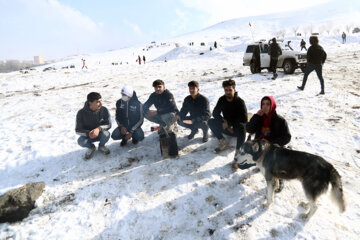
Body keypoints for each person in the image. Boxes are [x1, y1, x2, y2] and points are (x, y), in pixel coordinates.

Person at [238, 96, 291, 191]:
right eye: (263, 104)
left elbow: (287, 137)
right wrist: (256, 116)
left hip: (273, 149)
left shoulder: (280, 121)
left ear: (272, 105)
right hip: (258, 149)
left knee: (275, 165)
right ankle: (260, 163)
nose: (265, 106)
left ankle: (280, 177)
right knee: (242, 165)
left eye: (268, 104)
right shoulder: (259, 118)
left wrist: (272, 144)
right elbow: (249, 129)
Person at [208, 79, 248, 153]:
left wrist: (230, 124)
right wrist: (223, 121)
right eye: (226, 90)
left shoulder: (240, 102)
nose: (228, 92)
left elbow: (244, 119)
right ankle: (223, 142)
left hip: (236, 130)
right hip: (226, 127)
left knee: (242, 127)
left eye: (230, 90)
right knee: (210, 121)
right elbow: (215, 113)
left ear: (234, 89)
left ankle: (238, 150)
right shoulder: (222, 99)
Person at [75, 92, 111, 159]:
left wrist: (98, 129)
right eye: (97, 102)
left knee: (106, 134)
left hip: (100, 134)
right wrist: (88, 133)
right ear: (90, 103)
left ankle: (101, 146)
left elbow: (108, 124)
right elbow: (78, 130)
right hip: (89, 136)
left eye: (100, 101)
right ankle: (91, 147)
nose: (101, 104)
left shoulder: (104, 110)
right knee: (80, 141)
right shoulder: (81, 113)